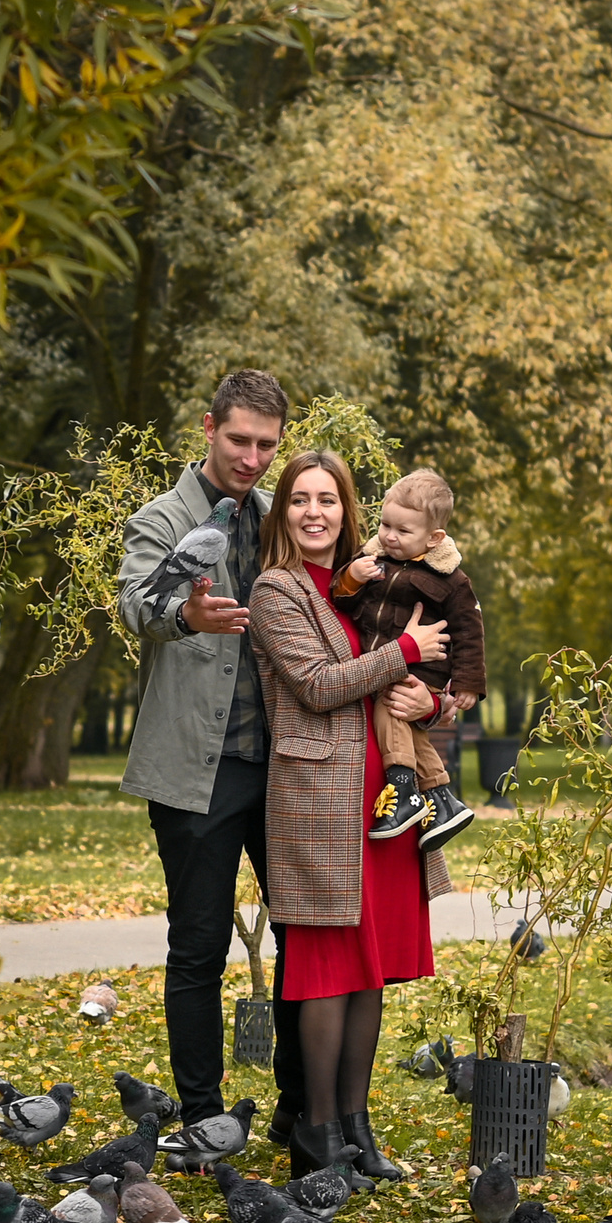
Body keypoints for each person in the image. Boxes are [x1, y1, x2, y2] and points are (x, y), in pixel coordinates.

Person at [246, 449, 454, 1179]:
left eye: (327, 500)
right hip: (318, 799)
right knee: (326, 970)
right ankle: (318, 1134)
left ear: (347, 510)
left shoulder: (377, 582)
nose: (314, 512)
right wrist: (404, 650)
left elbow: (441, 671)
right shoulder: (276, 590)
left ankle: (358, 1132)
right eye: (300, 499)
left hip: (390, 801)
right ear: (284, 512)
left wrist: (435, 698)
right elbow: (315, 683)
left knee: (371, 969)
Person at [116, 371, 304, 1142]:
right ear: (207, 429)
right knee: (198, 944)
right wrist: (185, 613)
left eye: (267, 444)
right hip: (199, 770)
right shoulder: (161, 520)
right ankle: (201, 1118)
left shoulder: (279, 522)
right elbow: (138, 607)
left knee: (307, 934)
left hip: (288, 764)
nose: (254, 458)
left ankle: (302, 1107)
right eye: (239, 440)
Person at [327, 468, 485, 852]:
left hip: (423, 669)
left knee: (392, 708)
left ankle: (402, 785)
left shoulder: (451, 579)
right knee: (410, 728)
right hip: (385, 660)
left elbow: (470, 629)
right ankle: (443, 799)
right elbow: (342, 603)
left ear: (434, 538)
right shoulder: (371, 560)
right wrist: (352, 578)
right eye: (385, 524)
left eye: (403, 531)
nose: (389, 536)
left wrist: (467, 683)